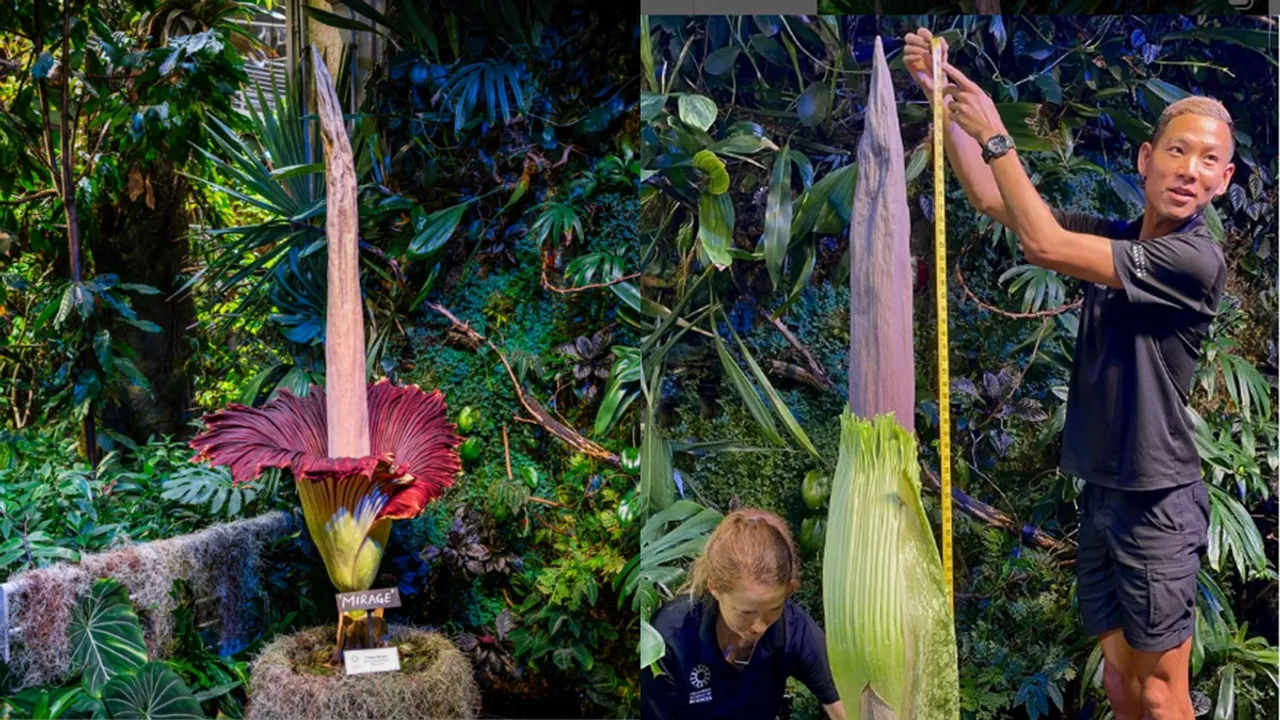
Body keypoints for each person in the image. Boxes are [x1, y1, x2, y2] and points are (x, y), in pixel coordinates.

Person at [903, 27, 1231, 720]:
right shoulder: (1117, 239)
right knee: (1118, 683)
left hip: (1158, 501)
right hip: (1105, 490)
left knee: (1160, 691)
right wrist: (942, 106)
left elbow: (1042, 243)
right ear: (1147, 158)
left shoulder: (1195, 261)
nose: (1191, 169)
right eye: (1178, 150)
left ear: (1223, 181)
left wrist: (997, 132)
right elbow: (999, 204)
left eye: (1209, 160)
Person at [640, 508, 847, 720]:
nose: (760, 626)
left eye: (774, 609)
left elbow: (842, 703)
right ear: (715, 588)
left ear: (789, 590)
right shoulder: (669, 638)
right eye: (746, 612)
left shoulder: (794, 626)